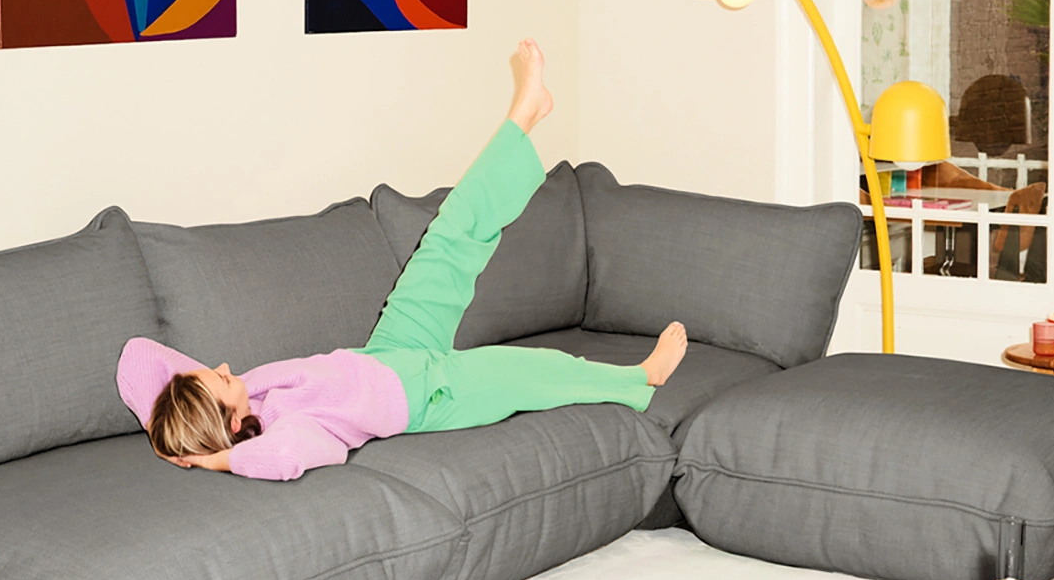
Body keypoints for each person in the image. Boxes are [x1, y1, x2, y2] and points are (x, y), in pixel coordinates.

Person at [116, 41, 688, 479]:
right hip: (430, 395)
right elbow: (285, 461)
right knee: (530, 373)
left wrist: (169, 427)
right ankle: (641, 377)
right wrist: (213, 459)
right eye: (218, 381)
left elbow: (139, 357)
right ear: (230, 423)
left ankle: (524, 116)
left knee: (450, 234)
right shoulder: (291, 430)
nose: (222, 366)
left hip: (390, 350)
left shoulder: (253, 390)